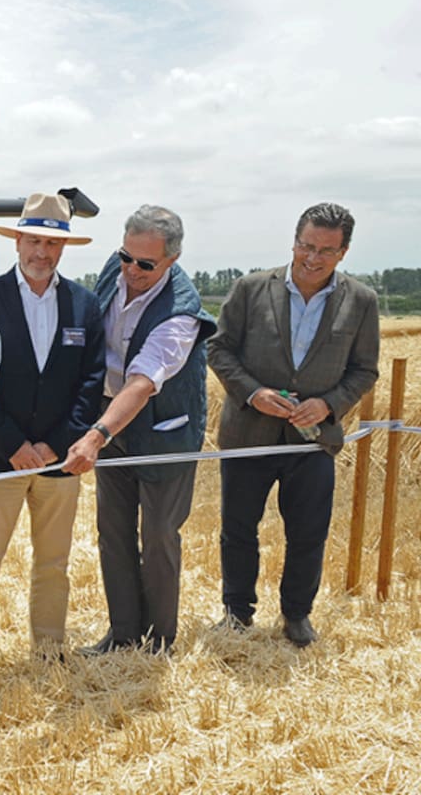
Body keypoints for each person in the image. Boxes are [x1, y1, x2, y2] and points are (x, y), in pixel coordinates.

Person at [207, 203, 378, 647]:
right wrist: (253, 393)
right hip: (248, 435)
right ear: (295, 241)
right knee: (238, 529)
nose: (312, 257)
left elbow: (364, 371)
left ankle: (297, 615)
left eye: (326, 249)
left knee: (308, 532)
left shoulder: (361, 301)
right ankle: (237, 613)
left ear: (343, 252)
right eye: (306, 245)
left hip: (313, 441)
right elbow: (220, 350)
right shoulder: (249, 289)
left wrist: (329, 404)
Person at [0, 193, 105, 674]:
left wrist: (56, 444)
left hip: (61, 462)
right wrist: (12, 444)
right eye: (34, 241)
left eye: (53, 244)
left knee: (54, 562)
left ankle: (49, 647)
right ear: (18, 241)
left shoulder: (84, 305)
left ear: (64, 248)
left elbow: (91, 382)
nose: (42, 252)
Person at [65, 205, 215, 656]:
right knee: (112, 531)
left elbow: (143, 382)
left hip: (163, 433)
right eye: (126, 257)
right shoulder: (119, 269)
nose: (131, 270)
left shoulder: (180, 314)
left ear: (172, 260)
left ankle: (159, 642)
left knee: (159, 537)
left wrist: (95, 436)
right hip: (111, 419)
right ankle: (123, 633)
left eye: (145, 264)